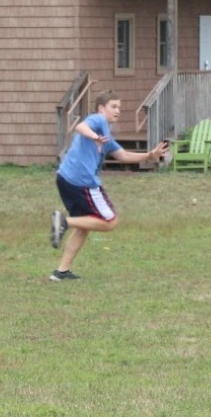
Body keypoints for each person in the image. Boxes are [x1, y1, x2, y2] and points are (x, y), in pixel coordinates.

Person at [49, 91, 169, 281]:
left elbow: (123, 156)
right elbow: (80, 127)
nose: (117, 111)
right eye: (113, 106)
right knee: (109, 221)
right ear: (101, 108)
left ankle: (61, 271)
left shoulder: (106, 137)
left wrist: (149, 155)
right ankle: (63, 222)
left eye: (119, 107)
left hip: (64, 178)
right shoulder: (98, 120)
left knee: (85, 225)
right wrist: (94, 137)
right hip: (82, 182)